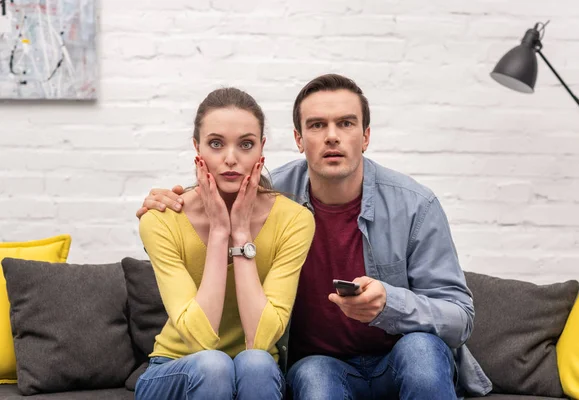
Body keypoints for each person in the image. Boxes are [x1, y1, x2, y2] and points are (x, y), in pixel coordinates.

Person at [137, 74, 492, 399]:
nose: (332, 135)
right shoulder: (274, 193)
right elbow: (228, 178)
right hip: (320, 363)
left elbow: (460, 316)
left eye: (346, 123)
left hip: (398, 355)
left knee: (420, 351)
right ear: (298, 139)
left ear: (365, 136)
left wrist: (390, 305)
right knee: (312, 377)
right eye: (317, 125)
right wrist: (175, 197)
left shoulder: (415, 206)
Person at [135, 87, 315, 400]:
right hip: (176, 366)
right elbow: (199, 340)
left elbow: (260, 340)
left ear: (261, 149)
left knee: (256, 363)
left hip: (254, 371)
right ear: (197, 148)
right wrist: (220, 231)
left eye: (245, 144)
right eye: (216, 144)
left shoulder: (295, 220)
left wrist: (241, 234)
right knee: (214, 365)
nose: (230, 158)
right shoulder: (161, 220)